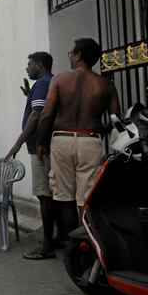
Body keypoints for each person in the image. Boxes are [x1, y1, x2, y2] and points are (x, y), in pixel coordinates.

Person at [37, 37, 120, 249]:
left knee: (64, 195)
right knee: (85, 196)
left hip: (62, 139)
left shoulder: (60, 80)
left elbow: (46, 115)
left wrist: (40, 142)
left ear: (78, 56)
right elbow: (115, 120)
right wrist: (98, 127)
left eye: (71, 54)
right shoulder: (106, 85)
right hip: (90, 141)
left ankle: (71, 243)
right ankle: (87, 244)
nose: (70, 57)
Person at [5, 52, 60, 260]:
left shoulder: (43, 84)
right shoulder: (46, 84)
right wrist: (29, 95)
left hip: (41, 148)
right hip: (43, 146)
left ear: (38, 65)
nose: (27, 69)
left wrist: (17, 144)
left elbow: (38, 115)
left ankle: (47, 245)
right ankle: (56, 237)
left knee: (44, 195)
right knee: (50, 194)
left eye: (29, 65)